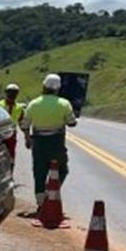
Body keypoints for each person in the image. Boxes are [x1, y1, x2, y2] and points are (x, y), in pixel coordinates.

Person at [20, 73, 77, 207]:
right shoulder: (64, 104)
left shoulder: (33, 104)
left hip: (38, 143)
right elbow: (71, 122)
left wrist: (28, 139)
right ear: (58, 88)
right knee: (62, 170)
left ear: (44, 86)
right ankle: (50, 192)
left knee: (39, 172)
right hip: (56, 143)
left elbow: (25, 125)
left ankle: (40, 202)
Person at [0, 83, 24, 165]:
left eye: (15, 92)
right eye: (10, 92)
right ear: (6, 92)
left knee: (11, 154)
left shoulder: (19, 108)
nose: (12, 94)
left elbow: (21, 122)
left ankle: (10, 169)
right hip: (0, 133)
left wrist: (27, 136)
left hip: (12, 134)